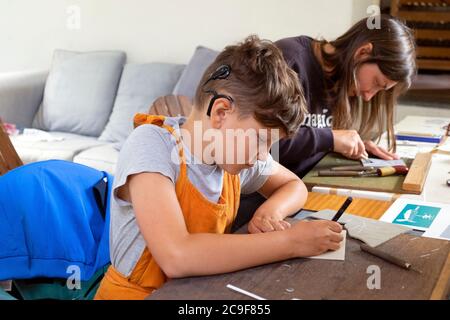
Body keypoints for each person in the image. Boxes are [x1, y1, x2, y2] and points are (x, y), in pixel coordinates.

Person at [94, 35, 344, 300]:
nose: (262, 157)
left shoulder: (231, 157)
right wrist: (291, 242)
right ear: (221, 113)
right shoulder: (152, 145)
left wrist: (269, 212)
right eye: (260, 141)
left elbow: (293, 185)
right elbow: (177, 255)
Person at [233, 15, 416, 231]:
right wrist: (330, 138)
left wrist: (353, 145)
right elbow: (261, 145)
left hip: (304, 193)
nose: (368, 97)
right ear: (363, 52)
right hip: (262, 201)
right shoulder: (290, 59)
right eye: (376, 83)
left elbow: (315, 139)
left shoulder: (342, 78)